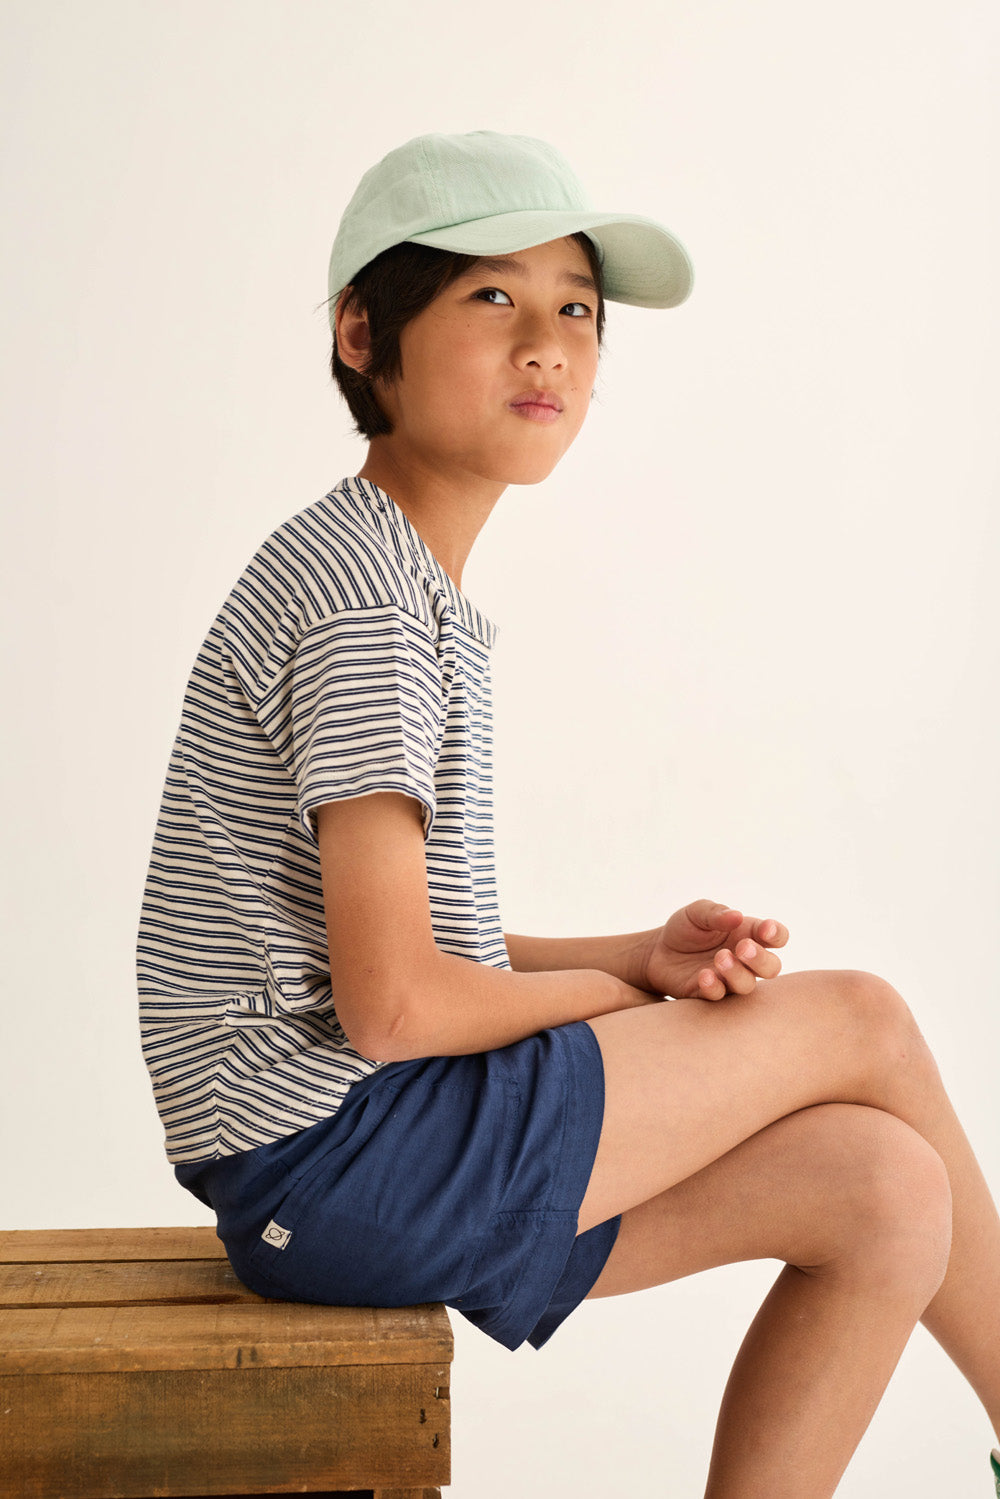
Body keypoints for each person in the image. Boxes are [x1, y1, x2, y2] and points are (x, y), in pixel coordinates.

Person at [137, 130, 1000, 1498]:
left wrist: (634, 958)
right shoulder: (366, 605)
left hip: (353, 1154)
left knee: (886, 1191)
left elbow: (417, 963)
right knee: (864, 1022)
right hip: (338, 1155)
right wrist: (619, 999)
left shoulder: (395, 581)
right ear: (363, 334)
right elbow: (395, 1009)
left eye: (579, 309)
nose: (547, 345)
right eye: (492, 297)